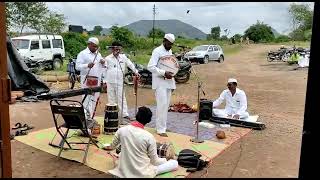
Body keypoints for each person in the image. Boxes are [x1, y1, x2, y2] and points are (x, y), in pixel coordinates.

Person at [104, 106, 179, 178]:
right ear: (148, 121)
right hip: (142, 174)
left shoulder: (122, 130)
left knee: (121, 156)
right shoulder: (149, 137)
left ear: (136, 116)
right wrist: (166, 159)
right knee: (174, 163)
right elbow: (155, 162)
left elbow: (112, 146)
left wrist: (107, 147)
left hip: (123, 170)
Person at [103, 41, 140, 123]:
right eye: (115, 49)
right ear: (112, 49)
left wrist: (136, 72)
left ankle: (124, 114)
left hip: (120, 81)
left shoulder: (123, 57)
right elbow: (104, 70)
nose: (117, 51)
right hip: (110, 81)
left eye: (119, 49)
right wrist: (104, 81)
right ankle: (113, 114)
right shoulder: (108, 58)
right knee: (111, 98)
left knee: (121, 98)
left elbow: (130, 64)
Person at [147, 33, 176, 137]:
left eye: (172, 44)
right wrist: (164, 73)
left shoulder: (170, 51)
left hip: (168, 82)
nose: (170, 46)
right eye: (169, 44)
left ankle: (162, 126)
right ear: (164, 41)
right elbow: (150, 67)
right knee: (161, 105)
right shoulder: (157, 51)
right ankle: (160, 129)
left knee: (166, 105)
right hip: (160, 83)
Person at [76, 37, 107, 119]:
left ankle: (91, 117)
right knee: (87, 100)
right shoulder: (82, 54)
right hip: (87, 81)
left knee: (94, 100)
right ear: (89, 44)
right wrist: (87, 65)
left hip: (96, 81)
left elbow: (102, 67)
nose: (95, 48)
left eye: (97, 46)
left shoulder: (98, 54)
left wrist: (103, 62)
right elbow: (77, 66)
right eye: (94, 46)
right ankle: (86, 119)